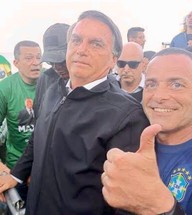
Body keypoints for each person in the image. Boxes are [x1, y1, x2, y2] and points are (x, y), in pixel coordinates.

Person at [0, 10, 149, 215]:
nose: (81, 49)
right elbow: (38, 136)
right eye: (76, 40)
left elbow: (126, 202)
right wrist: (16, 175)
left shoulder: (127, 116)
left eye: (95, 44)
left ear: (113, 59)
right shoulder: (53, 89)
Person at [102, 47, 192, 215]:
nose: (159, 96)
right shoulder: (128, 141)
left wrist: (162, 208)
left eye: (176, 84)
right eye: (151, 84)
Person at [0, 40, 41, 202]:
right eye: (29, 58)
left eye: (39, 57)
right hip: (14, 166)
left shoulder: (52, 81)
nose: (36, 63)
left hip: (45, 167)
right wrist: (2, 170)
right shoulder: (6, 88)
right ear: (16, 63)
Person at [33, 23, 70, 119]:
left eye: (62, 61)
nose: (57, 67)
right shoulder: (45, 78)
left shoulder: (93, 81)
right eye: (51, 62)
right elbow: (37, 116)